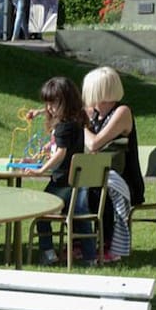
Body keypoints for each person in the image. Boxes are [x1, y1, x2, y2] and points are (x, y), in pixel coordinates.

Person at [27, 77, 97, 266]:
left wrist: (41, 169)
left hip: (63, 181)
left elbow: (60, 153)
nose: (49, 108)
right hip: (78, 180)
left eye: (53, 103)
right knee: (81, 217)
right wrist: (40, 111)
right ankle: (90, 258)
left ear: (66, 101)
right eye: (47, 103)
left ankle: (48, 253)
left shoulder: (63, 127)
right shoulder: (78, 120)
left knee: (41, 212)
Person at [82, 66, 145, 262]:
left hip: (123, 180)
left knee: (97, 190)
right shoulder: (93, 113)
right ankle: (82, 241)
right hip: (99, 174)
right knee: (73, 188)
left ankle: (109, 244)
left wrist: (78, 125)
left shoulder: (122, 112)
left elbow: (94, 143)